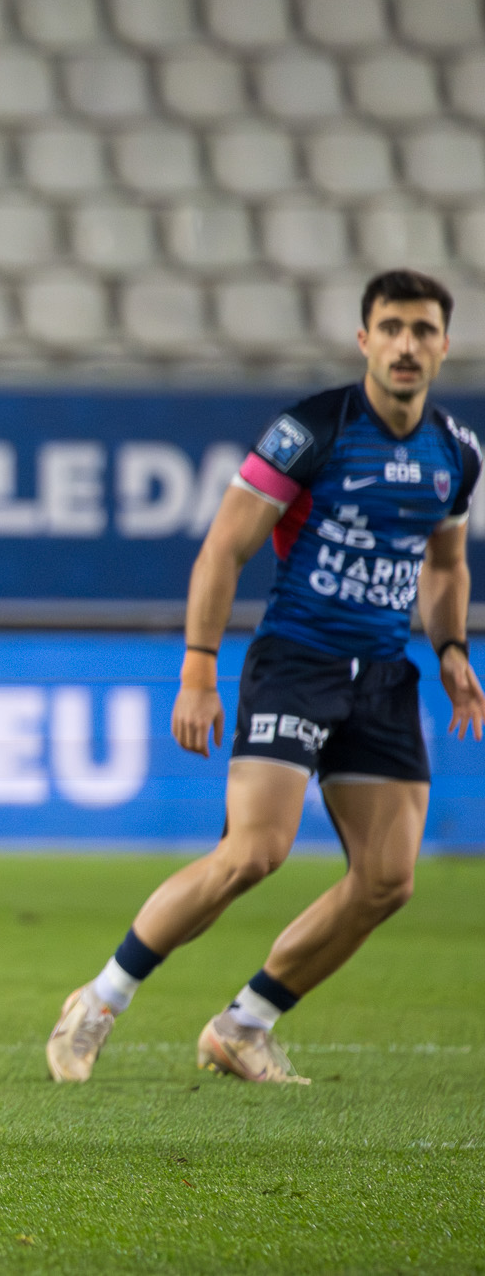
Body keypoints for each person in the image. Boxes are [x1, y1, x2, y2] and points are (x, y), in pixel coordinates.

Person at [48, 268, 485, 1086]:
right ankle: (98, 1001)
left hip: (383, 676)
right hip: (296, 662)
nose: (406, 345)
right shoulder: (312, 431)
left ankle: (245, 1024)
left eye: (423, 330)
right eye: (390, 327)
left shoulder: (456, 455)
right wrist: (199, 669)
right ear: (364, 340)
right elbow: (224, 548)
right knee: (252, 854)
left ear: (444, 345)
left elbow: (447, 561)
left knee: (388, 881)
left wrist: (452, 648)